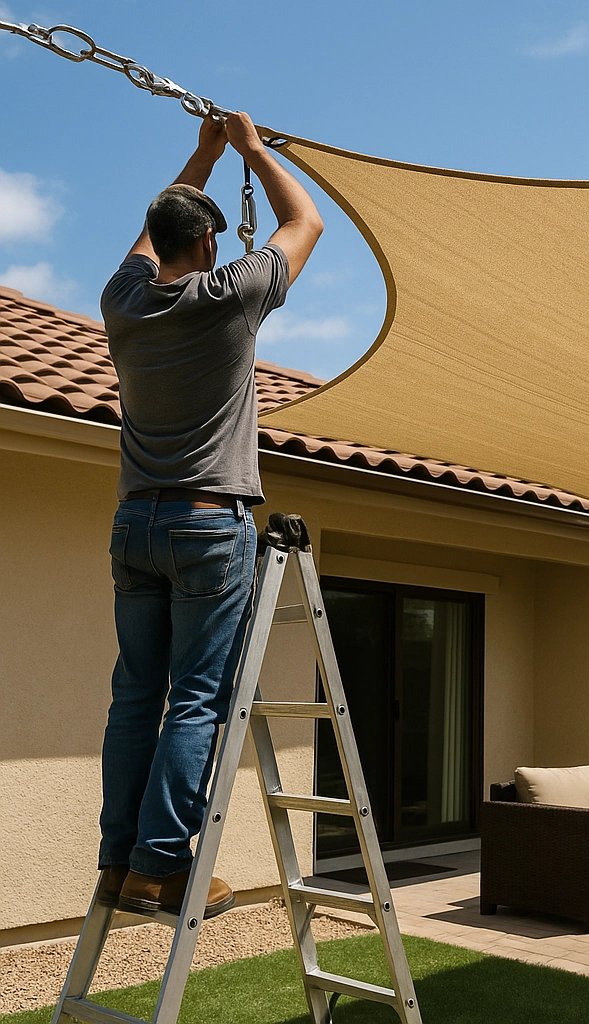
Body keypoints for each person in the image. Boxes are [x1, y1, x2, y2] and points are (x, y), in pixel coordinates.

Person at [95, 112, 323, 918]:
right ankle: (161, 866)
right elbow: (307, 221)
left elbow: (151, 238)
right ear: (204, 247)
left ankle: (118, 859)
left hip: (136, 527)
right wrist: (254, 151)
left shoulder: (121, 302)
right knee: (195, 699)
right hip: (204, 524)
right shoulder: (232, 298)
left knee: (135, 696)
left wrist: (201, 157)